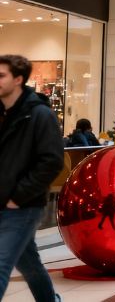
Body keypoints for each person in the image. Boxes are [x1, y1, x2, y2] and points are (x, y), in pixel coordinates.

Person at [0, 55, 64, 301]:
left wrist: (19, 196)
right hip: (4, 202)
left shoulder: (39, 115)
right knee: (29, 264)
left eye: (1, 75)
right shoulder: (3, 113)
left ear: (18, 79)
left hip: (22, 205)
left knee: (2, 264)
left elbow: (52, 161)